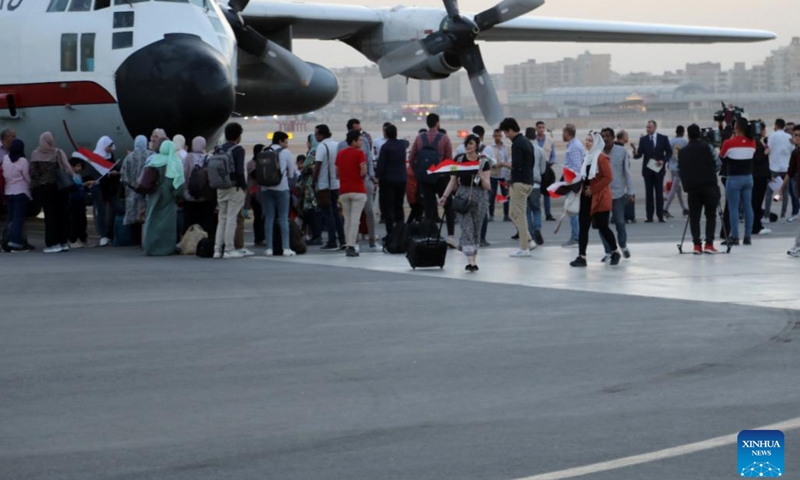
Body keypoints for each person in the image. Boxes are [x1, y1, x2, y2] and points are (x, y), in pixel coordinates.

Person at [438, 135, 492, 272]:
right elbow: (453, 181)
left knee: (476, 229)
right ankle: (471, 261)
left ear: (477, 145)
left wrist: (481, 177)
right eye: (467, 143)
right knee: (467, 228)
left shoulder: (484, 162)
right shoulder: (460, 160)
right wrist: (445, 196)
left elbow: (488, 186)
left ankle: (471, 253)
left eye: (471, 144)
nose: (468, 146)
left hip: (480, 198)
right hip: (462, 196)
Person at [570, 132, 621, 267]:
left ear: (597, 143)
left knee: (603, 227)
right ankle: (582, 256)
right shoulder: (586, 157)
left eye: (590, 141)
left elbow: (608, 177)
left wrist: (593, 189)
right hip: (586, 197)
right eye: (586, 140)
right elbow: (583, 176)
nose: (587, 143)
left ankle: (615, 251)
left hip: (599, 197)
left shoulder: (601, 158)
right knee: (583, 227)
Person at [408, 113, 456, 248]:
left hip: (425, 178)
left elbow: (412, 158)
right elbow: (449, 159)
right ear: (438, 123)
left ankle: (431, 235)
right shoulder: (444, 138)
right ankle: (450, 235)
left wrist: (419, 172)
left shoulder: (419, 138)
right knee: (448, 205)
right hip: (441, 177)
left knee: (429, 208)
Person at [679, 124, 721, 254]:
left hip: (693, 188)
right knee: (711, 215)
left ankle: (696, 245)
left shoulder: (683, 151)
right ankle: (709, 243)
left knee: (694, 217)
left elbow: (681, 169)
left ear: (688, 135)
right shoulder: (707, 147)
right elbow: (718, 164)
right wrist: (708, 171)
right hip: (709, 186)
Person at [338, 119, 378, 251]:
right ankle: (352, 243)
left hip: (363, 182)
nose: (361, 135)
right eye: (357, 131)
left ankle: (371, 239)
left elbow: (369, 160)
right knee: (352, 217)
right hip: (355, 184)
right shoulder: (342, 146)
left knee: (369, 212)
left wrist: (371, 177)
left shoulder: (364, 142)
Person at [29, 132, 72, 253]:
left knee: (50, 216)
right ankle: (63, 242)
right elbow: (67, 168)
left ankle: (53, 243)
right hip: (59, 188)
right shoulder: (58, 152)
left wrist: (40, 181)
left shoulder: (35, 154)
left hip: (45, 188)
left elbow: (33, 173)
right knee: (61, 215)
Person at [213, 122, 251, 259]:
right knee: (231, 218)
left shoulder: (218, 149)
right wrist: (244, 187)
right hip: (234, 188)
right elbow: (240, 171)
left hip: (220, 187)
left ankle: (217, 249)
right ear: (238, 136)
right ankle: (229, 249)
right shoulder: (238, 150)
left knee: (221, 218)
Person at [499, 117, 535, 258]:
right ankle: (529, 240)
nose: (506, 136)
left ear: (510, 130)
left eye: (506, 133)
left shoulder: (517, 144)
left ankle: (524, 248)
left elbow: (516, 165)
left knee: (519, 215)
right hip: (527, 181)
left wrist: (502, 164)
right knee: (513, 214)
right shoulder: (526, 142)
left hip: (520, 182)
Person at [142, 140, 185, 256]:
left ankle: (149, 246)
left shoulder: (153, 160)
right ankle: (165, 248)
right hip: (168, 195)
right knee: (167, 223)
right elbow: (178, 183)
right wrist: (177, 195)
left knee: (152, 220)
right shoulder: (174, 161)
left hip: (153, 195)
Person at [599, 128, 635, 261]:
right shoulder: (598, 153)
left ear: (613, 137)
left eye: (608, 136)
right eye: (603, 136)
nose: (605, 139)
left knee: (620, 222)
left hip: (618, 194)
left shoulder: (622, 152)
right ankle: (608, 251)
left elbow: (627, 172)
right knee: (602, 225)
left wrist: (630, 192)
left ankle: (623, 245)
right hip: (602, 195)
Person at [719, 118, 756, 246]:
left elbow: (722, 155)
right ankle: (747, 236)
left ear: (736, 127)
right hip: (748, 178)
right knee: (748, 207)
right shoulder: (752, 142)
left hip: (734, 178)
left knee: (733, 208)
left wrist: (728, 140)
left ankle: (735, 236)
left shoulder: (729, 143)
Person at [261, 132, 298, 257]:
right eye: (286, 142)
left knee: (269, 217)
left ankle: (269, 248)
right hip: (281, 187)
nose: (286, 145)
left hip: (265, 188)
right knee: (283, 218)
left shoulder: (264, 151)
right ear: (281, 141)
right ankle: (286, 248)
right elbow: (292, 173)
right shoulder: (285, 152)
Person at [335, 130, 368, 257]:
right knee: (355, 220)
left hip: (344, 190)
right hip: (358, 190)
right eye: (359, 140)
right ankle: (351, 245)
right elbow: (363, 171)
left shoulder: (340, 154)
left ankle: (347, 243)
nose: (361, 142)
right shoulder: (360, 154)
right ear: (354, 141)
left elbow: (337, 173)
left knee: (347, 219)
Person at [313, 124, 346, 250]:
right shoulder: (336, 145)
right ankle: (342, 239)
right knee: (336, 213)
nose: (315, 136)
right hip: (335, 184)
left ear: (321, 134)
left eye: (316, 134)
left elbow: (317, 166)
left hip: (324, 185)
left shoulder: (322, 146)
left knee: (328, 214)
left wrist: (313, 182)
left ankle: (332, 240)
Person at [633, 120, 672, 223]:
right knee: (649, 194)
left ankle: (660, 215)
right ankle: (649, 216)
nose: (647, 129)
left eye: (649, 127)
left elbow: (669, 152)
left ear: (655, 128)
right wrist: (635, 153)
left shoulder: (663, 138)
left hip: (659, 170)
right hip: (648, 171)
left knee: (659, 193)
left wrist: (663, 161)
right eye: (647, 127)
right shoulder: (643, 139)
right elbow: (639, 154)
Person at [182, 136, 217, 239]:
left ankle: (189, 243)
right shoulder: (209, 158)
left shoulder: (187, 158)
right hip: (205, 197)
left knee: (189, 223)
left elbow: (183, 175)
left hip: (189, 196)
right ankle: (205, 242)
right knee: (206, 222)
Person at [376, 124, 408, 238]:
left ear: (386, 134)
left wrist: (377, 177)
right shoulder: (402, 145)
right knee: (399, 206)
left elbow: (381, 165)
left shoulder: (385, 146)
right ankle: (401, 231)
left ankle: (390, 233)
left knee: (388, 208)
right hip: (401, 179)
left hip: (388, 181)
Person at [2, 139, 32, 252]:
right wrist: (31, 186)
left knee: (10, 218)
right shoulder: (23, 161)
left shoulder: (5, 158)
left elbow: (4, 173)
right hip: (21, 191)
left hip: (9, 191)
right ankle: (15, 243)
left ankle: (5, 241)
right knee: (18, 219)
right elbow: (26, 176)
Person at [120, 135, 150, 245]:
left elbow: (123, 176)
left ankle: (135, 240)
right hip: (147, 192)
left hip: (132, 192)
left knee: (133, 217)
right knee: (145, 215)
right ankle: (145, 239)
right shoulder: (150, 155)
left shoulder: (129, 157)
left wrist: (132, 186)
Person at [776, 125, 800, 257]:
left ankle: (797, 245)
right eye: (795, 135)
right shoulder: (795, 153)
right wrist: (780, 189)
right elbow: (790, 172)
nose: (796, 138)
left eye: (799, 135)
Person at [765, 118, 795, 223]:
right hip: (786, 168)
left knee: (769, 193)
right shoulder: (789, 137)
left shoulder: (772, 135)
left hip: (774, 167)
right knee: (785, 193)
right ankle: (783, 216)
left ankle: (767, 216)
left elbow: (769, 149)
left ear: (776, 125)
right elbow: (792, 151)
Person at [562, 124, 584, 246]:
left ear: (568, 133)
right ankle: (576, 236)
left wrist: (572, 184)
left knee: (572, 211)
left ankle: (576, 237)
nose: (562, 135)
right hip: (571, 182)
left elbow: (577, 167)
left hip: (574, 184)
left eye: (563, 132)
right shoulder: (571, 145)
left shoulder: (574, 146)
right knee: (572, 211)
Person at [524, 127, 546, 247]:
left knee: (526, 211)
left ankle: (531, 234)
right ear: (535, 136)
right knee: (536, 209)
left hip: (524, 183)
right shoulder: (540, 150)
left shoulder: (522, 149)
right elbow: (543, 169)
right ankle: (537, 228)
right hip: (536, 184)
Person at [67, 157, 93, 248]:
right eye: (77, 166)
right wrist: (85, 184)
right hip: (72, 199)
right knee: (74, 220)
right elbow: (72, 187)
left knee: (82, 220)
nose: (80, 168)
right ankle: (72, 240)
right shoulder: (69, 175)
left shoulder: (78, 175)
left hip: (80, 199)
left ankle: (83, 238)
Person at [534, 121, 557, 221]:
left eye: (543, 127)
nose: (541, 129)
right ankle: (536, 211)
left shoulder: (549, 140)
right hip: (536, 168)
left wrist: (551, 162)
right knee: (537, 191)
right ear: (536, 128)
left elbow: (553, 154)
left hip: (547, 168)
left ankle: (548, 214)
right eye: (539, 127)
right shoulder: (533, 140)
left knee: (547, 192)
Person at [752, 123, 772, 236]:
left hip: (761, 175)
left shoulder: (760, 141)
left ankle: (757, 224)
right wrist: (765, 153)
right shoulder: (756, 142)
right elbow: (756, 160)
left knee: (757, 202)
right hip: (758, 176)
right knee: (756, 202)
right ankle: (756, 226)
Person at [664, 125, 689, 218]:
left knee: (678, 189)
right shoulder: (684, 142)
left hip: (672, 167)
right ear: (682, 132)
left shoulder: (671, 141)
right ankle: (665, 208)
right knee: (674, 188)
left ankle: (684, 209)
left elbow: (668, 153)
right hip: (680, 168)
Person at [487, 128, 510, 222]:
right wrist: (495, 165)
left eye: (499, 135)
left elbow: (509, 159)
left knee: (506, 195)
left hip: (504, 175)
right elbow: (488, 161)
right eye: (496, 135)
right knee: (492, 195)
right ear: (493, 136)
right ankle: (491, 214)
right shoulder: (490, 148)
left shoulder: (507, 147)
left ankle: (506, 214)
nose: (498, 137)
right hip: (493, 174)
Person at [246, 144, 266, 246]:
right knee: (258, 215)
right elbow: (256, 174)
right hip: (254, 193)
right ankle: (258, 238)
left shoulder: (263, 162)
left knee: (263, 215)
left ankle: (263, 236)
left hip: (263, 192)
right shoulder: (251, 163)